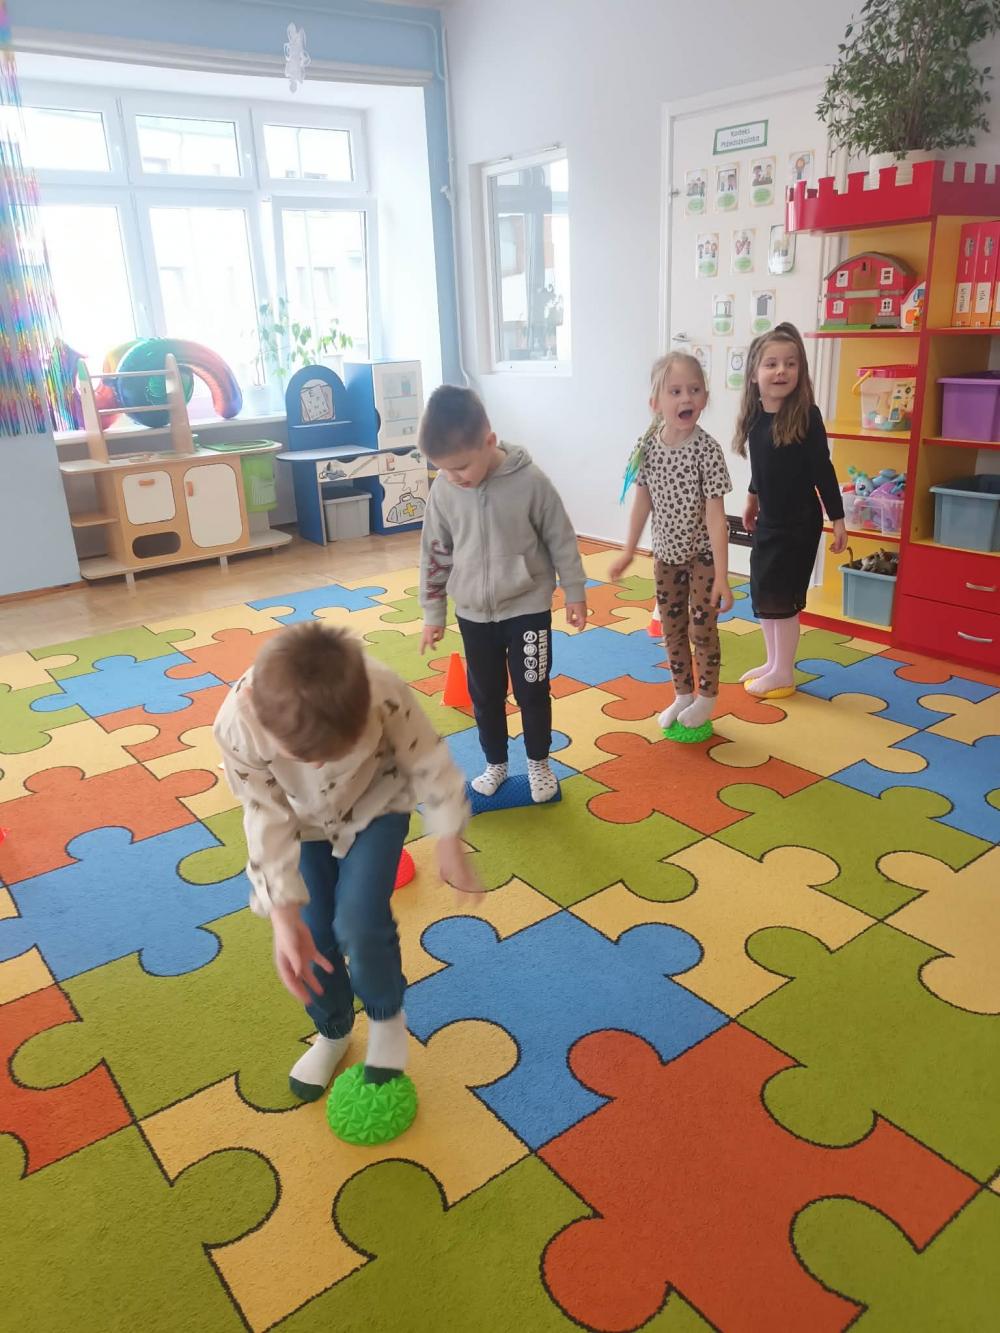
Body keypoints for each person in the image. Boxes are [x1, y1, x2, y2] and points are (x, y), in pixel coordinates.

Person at [214, 621, 480, 1134]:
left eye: (336, 750)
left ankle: (385, 1018)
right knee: (312, 935)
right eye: (303, 757)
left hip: (376, 805)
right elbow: (264, 816)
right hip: (300, 826)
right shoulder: (236, 725)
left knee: (359, 920)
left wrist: (448, 833)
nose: (319, 765)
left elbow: (427, 756)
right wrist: (283, 917)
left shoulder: (381, 687)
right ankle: (333, 1030)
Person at [418, 385, 588, 804]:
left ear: (489, 442)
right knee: (485, 695)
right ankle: (495, 763)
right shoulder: (445, 491)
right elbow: (436, 553)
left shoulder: (530, 482)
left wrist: (574, 590)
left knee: (532, 690)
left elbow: (560, 536)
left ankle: (539, 763)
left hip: (527, 606)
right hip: (474, 614)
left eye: (461, 467)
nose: (454, 477)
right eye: (443, 470)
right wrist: (433, 612)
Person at [609, 351, 734, 734]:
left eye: (694, 390)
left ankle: (706, 697)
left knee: (702, 629)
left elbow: (716, 517)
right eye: (675, 391)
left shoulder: (707, 450)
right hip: (665, 557)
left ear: (705, 398)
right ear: (656, 403)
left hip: (702, 556)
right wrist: (629, 550)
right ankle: (682, 694)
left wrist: (722, 576)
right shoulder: (647, 446)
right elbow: (642, 502)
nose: (686, 398)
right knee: (672, 628)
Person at [733, 322, 848, 698]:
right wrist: (751, 498)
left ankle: (784, 671)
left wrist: (838, 519)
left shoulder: (806, 416)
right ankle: (773, 662)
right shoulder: (757, 417)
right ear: (754, 374)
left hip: (798, 524)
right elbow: (762, 467)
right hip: (770, 519)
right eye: (771, 364)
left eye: (790, 363)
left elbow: (823, 471)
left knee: (783, 599)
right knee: (764, 593)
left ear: (800, 371)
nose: (781, 371)